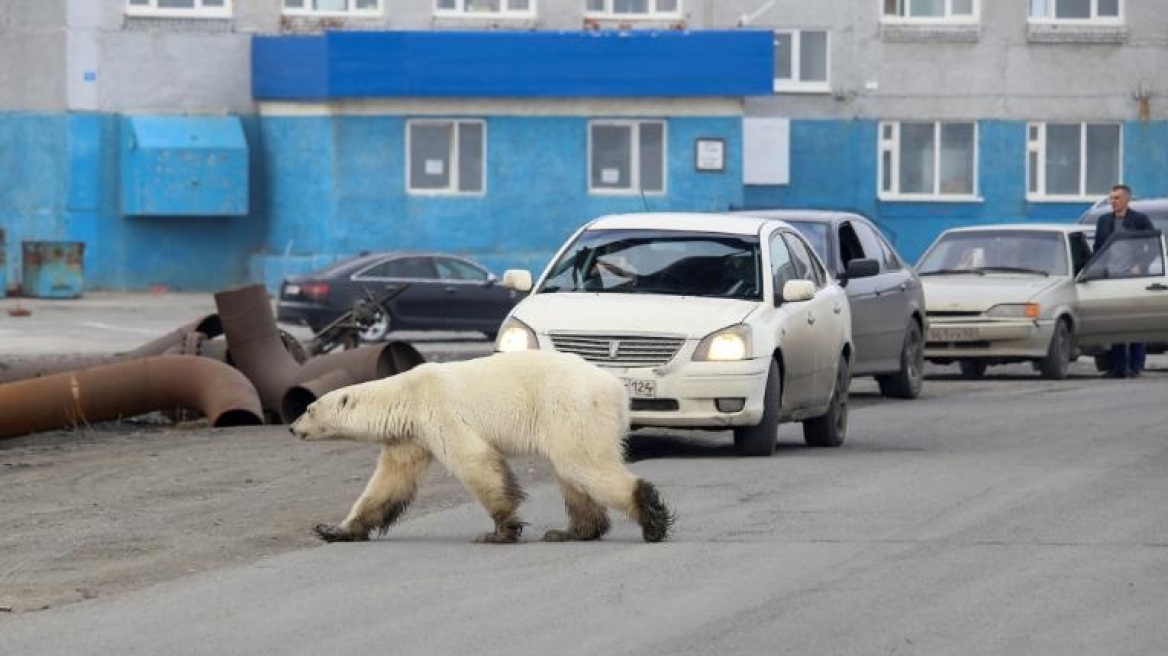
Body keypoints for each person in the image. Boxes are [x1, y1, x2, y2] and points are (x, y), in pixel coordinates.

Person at [1093, 183, 1154, 378]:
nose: (1113, 201)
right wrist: (1095, 270)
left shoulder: (1140, 220)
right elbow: (1098, 248)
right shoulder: (1104, 221)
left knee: (1135, 322)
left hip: (1133, 278)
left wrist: (1141, 266)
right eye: (1111, 198)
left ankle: (1136, 366)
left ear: (1127, 199)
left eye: (1117, 198)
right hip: (1111, 278)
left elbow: (1152, 247)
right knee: (1115, 323)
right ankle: (1118, 367)